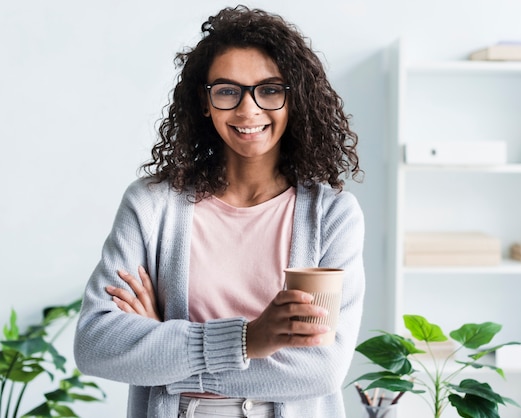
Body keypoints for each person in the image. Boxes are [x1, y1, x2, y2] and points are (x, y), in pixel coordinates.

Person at [73, 5, 365, 418]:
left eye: (269, 89)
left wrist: (163, 347)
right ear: (205, 102)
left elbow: (320, 369)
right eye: (228, 90)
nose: (248, 110)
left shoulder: (331, 215)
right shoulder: (152, 204)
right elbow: (96, 344)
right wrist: (247, 340)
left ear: (293, 98)